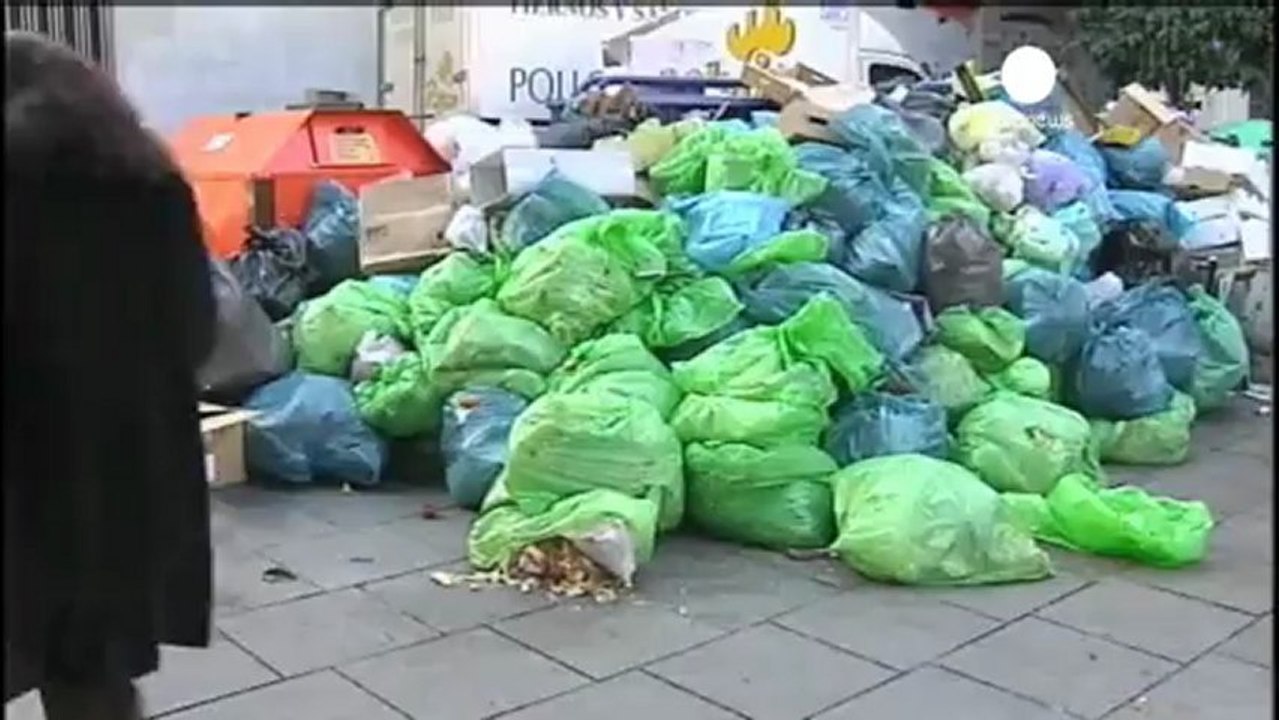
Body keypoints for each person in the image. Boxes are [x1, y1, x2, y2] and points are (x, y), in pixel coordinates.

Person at [4, 32, 216, 719]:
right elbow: (196, 334)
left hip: (20, 479)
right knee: (92, 676)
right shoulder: (151, 183)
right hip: (123, 481)